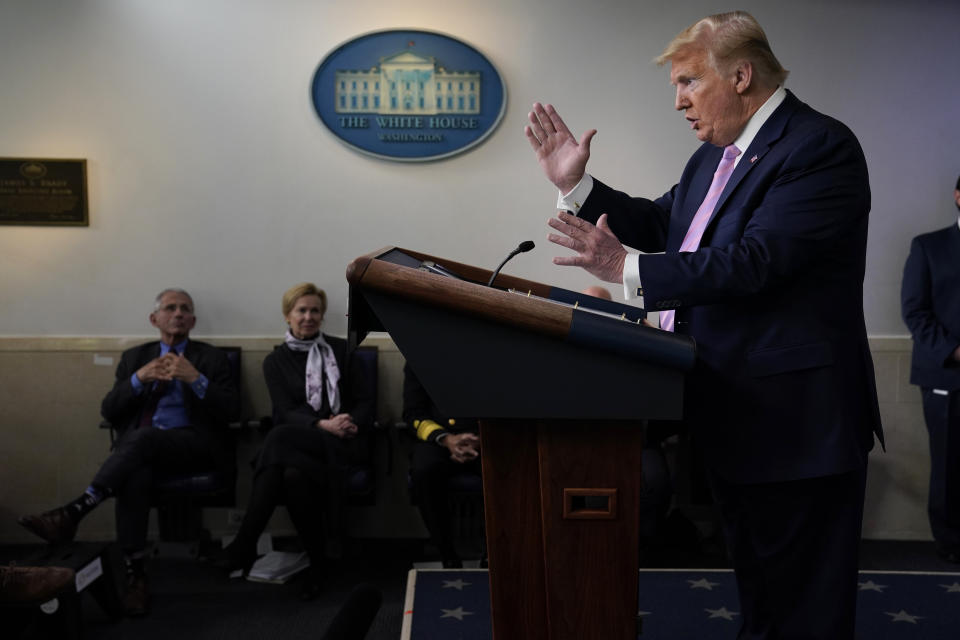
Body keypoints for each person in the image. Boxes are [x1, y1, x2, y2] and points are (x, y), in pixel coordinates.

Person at [525, 11, 883, 639]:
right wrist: (578, 186)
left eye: (688, 82)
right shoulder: (713, 159)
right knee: (766, 601)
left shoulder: (818, 147)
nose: (678, 102)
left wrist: (626, 266)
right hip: (740, 417)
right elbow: (666, 225)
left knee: (806, 610)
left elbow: (757, 261)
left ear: (742, 75)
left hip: (798, 425)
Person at [17, 288, 239, 616]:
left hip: (194, 445)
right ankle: (136, 575)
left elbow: (232, 410)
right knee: (135, 473)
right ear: (154, 319)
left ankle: (75, 511)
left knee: (140, 440)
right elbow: (109, 410)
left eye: (185, 309)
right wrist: (138, 379)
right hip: (142, 451)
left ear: (193, 320)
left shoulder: (211, 358)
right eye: (170, 308)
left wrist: (195, 379)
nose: (178, 313)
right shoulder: (135, 358)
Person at [215, 283, 373, 600]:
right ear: (288, 316)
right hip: (302, 449)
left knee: (277, 436)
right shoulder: (275, 361)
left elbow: (365, 402)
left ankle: (245, 543)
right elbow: (284, 411)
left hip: (343, 443)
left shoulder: (345, 350)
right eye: (301, 310)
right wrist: (321, 424)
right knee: (291, 475)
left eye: (315, 310)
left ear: (322, 315)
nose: (309, 317)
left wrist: (347, 422)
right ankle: (319, 562)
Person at [901, 175, 960, 563]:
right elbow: (914, 312)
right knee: (950, 466)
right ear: (958, 196)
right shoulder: (928, 246)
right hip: (945, 376)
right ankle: (952, 546)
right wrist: (955, 351)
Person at [403, 362, 481, 568]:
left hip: (484, 438)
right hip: (440, 439)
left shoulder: (493, 353)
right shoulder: (419, 357)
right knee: (423, 470)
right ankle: (447, 552)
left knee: (511, 466)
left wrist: (480, 439)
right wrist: (448, 440)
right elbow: (413, 413)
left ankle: (495, 549)